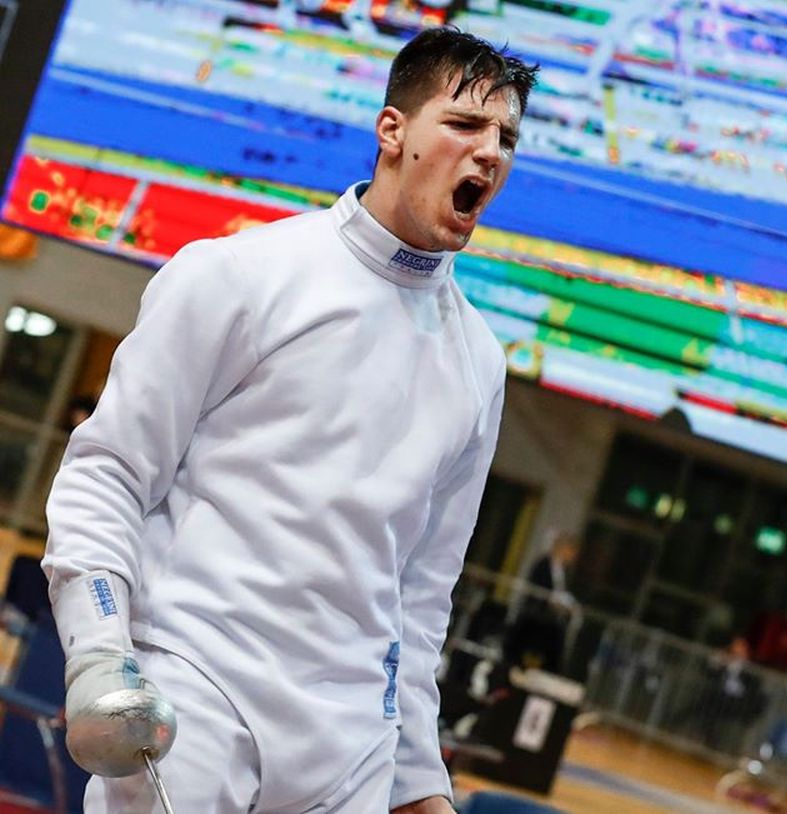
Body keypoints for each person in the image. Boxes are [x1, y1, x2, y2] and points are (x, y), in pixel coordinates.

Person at [41, 28, 537, 813]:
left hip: (350, 751)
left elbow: (420, 598)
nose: (489, 151)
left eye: (505, 138)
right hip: (196, 701)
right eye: (465, 124)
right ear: (392, 130)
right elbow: (109, 473)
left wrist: (417, 782)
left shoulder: (478, 362)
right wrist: (99, 653)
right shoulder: (243, 275)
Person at [504, 530, 580, 673]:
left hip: (551, 619)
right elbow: (538, 590)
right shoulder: (543, 565)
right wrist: (552, 602)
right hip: (536, 616)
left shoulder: (563, 571)